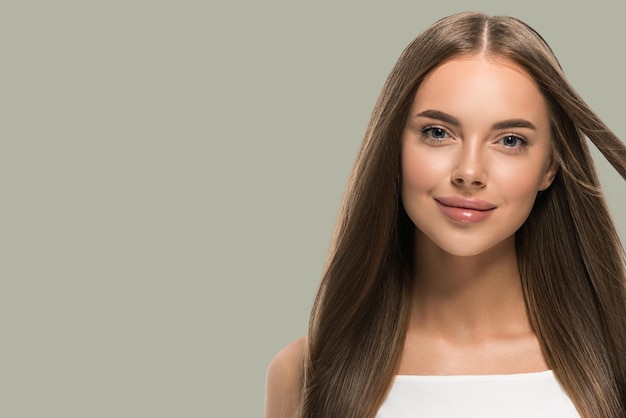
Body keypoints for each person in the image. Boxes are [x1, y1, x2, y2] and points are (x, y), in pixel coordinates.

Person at [265, 12, 626, 418]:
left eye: (510, 140)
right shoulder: (302, 374)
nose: (469, 172)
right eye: (438, 133)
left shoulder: (616, 362)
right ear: (395, 148)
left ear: (550, 166)